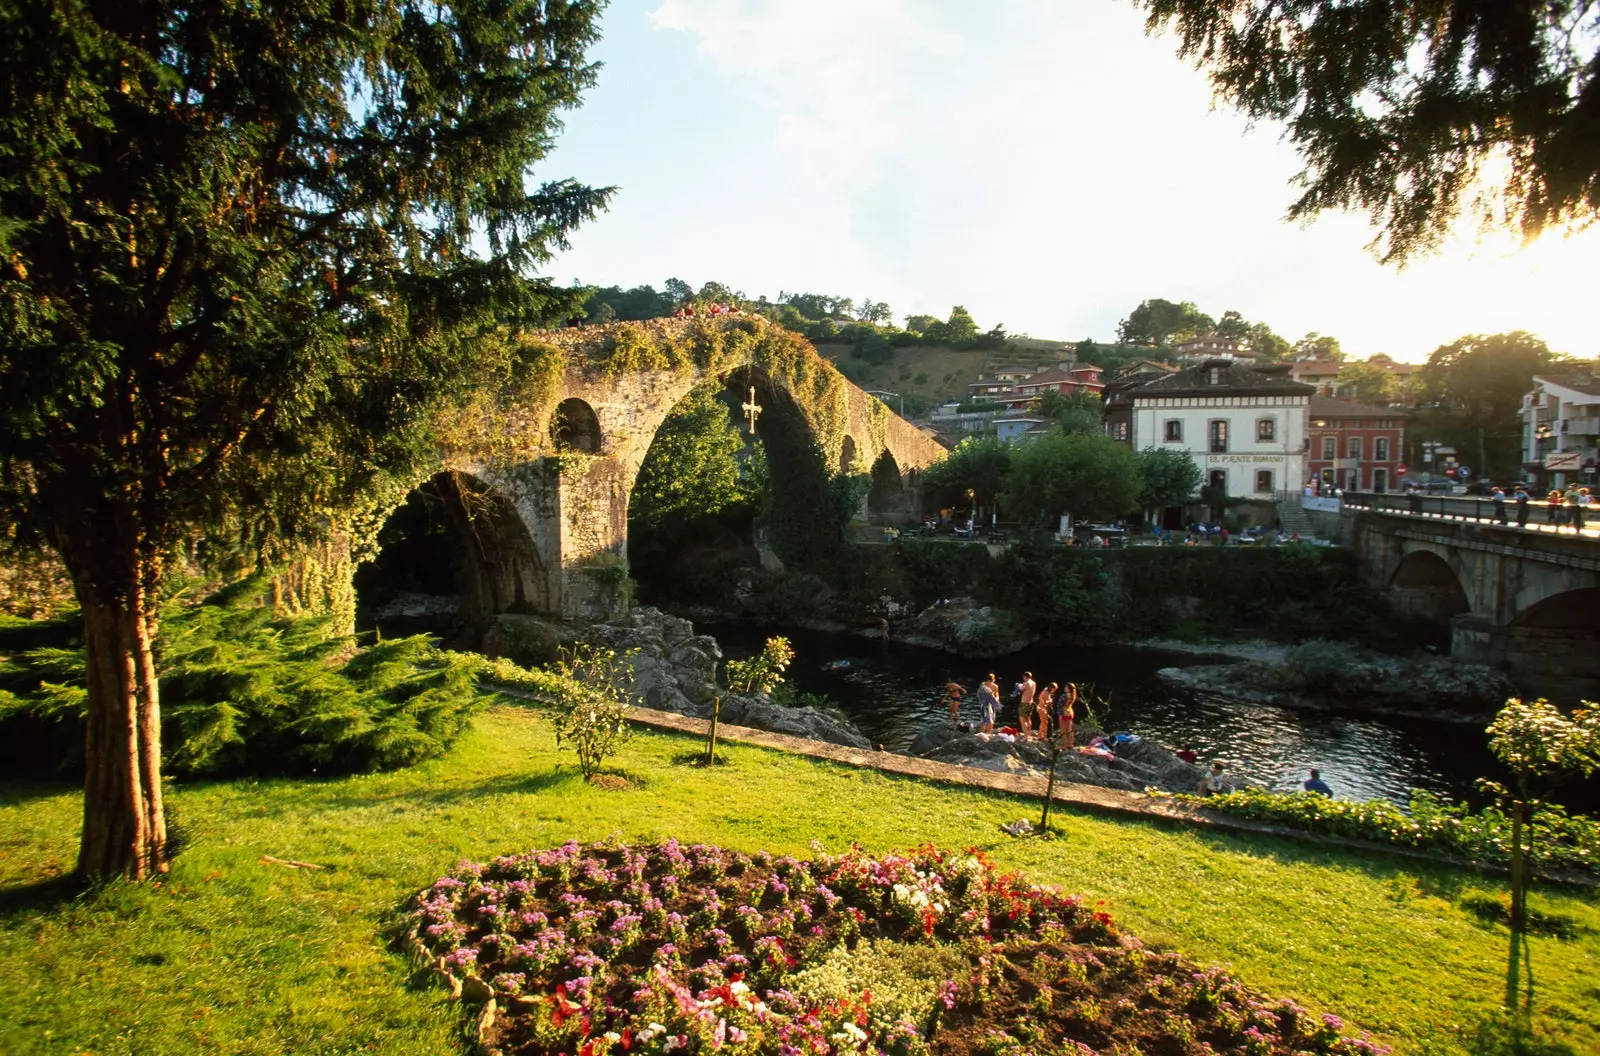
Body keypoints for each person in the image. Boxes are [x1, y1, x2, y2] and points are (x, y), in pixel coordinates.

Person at [1055, 682, 1078, 750]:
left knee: (1063, 730)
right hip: (1070, 712)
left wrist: (1060, 714)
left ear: (1069, 689)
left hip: (1064, 713)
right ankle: (1070, 744)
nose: (1065, 688)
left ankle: (1063, 745)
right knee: (1069, 730)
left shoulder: (1065, 696)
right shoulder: (1073, 695)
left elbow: (1061, 705)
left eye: (1066, 687)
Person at [1016, 672, 1037, 737]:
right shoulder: (1034, 683)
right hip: (1030, 702)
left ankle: (1026, 736)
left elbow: (1020, 689)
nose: (1023, 678)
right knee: (1028, 718)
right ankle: (1028, 734)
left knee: (1022, 720)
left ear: (1025, 676)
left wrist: (1018, 685)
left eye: (1023, 677)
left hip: (1024, 702)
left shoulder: (1026, 683)